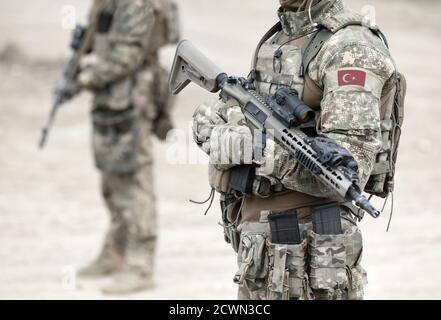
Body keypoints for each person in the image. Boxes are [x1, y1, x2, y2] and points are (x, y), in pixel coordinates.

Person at [193, 0, 402, 300]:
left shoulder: (350, 48)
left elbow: (350, 166)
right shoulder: (282, 37)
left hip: (313, 258)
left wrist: (252, 148)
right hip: (261, 255)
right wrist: (216, 121)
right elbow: (246, 105)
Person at [60, 0, 179, 294]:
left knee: (134, 181)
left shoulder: (136, 3)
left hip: (131, 100)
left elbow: (126, 56)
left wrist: (83, 79)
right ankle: (115, 252)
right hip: (112, 99)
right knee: (112, 180)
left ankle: (140, 265)